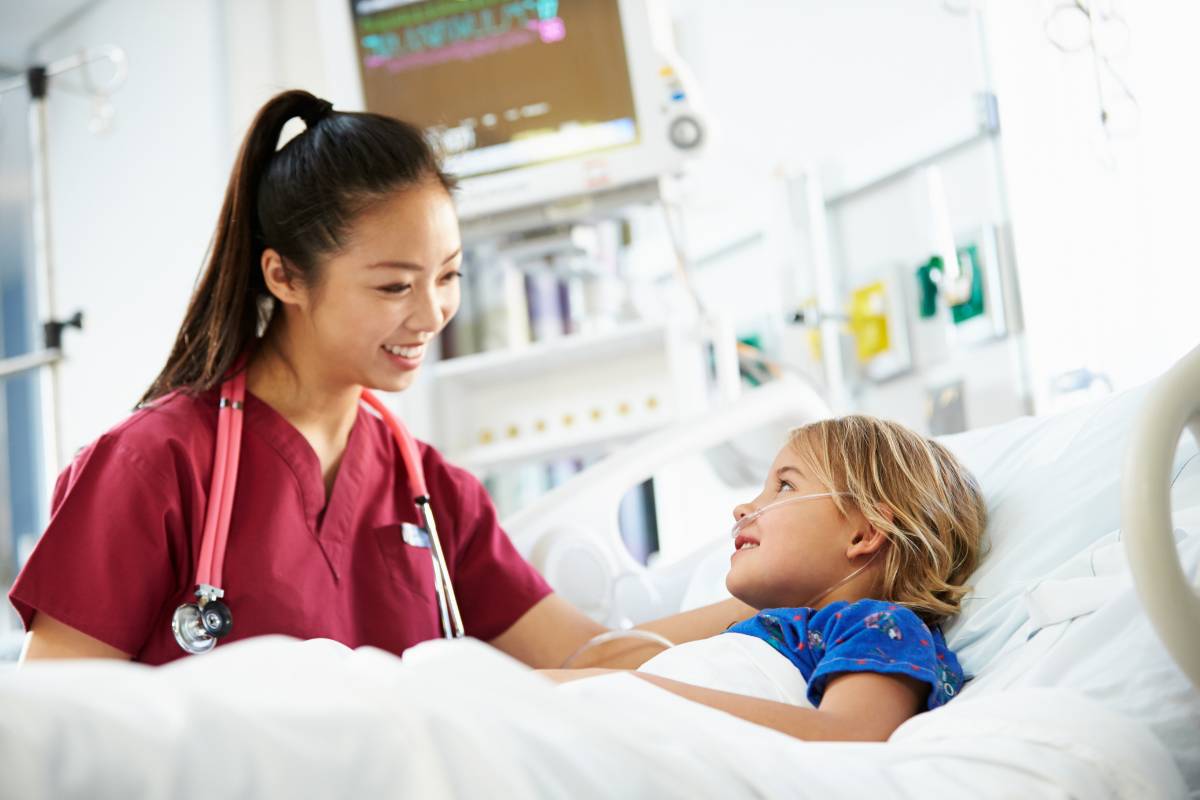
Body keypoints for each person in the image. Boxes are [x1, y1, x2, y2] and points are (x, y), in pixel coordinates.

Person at [8, 89, 754, 666]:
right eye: (394, 287)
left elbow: (588, 658)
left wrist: (797, 612)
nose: (431, 314)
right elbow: (59, 725)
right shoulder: (152, 466)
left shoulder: (433, 496)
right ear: (284, 277)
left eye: (449, 275)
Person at [543, 415, 988, 742]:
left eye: (785, 486)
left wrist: (630, 693)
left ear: (865, 532)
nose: (744, 508)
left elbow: (846, 740)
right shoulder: (769, 631)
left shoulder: (878, 626)